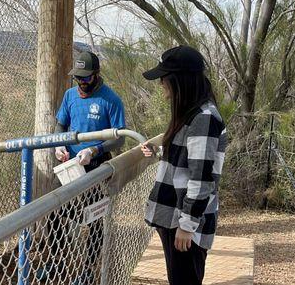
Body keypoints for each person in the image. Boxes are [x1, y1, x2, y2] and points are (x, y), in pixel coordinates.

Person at [37, 51, 126, 285]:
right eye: (78, 78)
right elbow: (60, 125)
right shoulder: (69, 96)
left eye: (86, 78)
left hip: (96, 166)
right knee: (54, 208)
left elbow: (119, 139)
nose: (82, 83)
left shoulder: (111, 100)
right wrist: (60, 146)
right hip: (69, 164)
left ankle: (88, 268)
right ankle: (56, 260)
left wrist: (94, 150)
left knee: (95, 217)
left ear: (97, 75)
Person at [140, 45, 227, 285]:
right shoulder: (192, 114)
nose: (161, 84)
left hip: (183, 221)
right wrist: (160, 152)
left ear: (181, 81)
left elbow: (202, 178)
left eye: (165, 79)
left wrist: (187, 225)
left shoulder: (204, 118)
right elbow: (188, 163)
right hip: (175, 217)